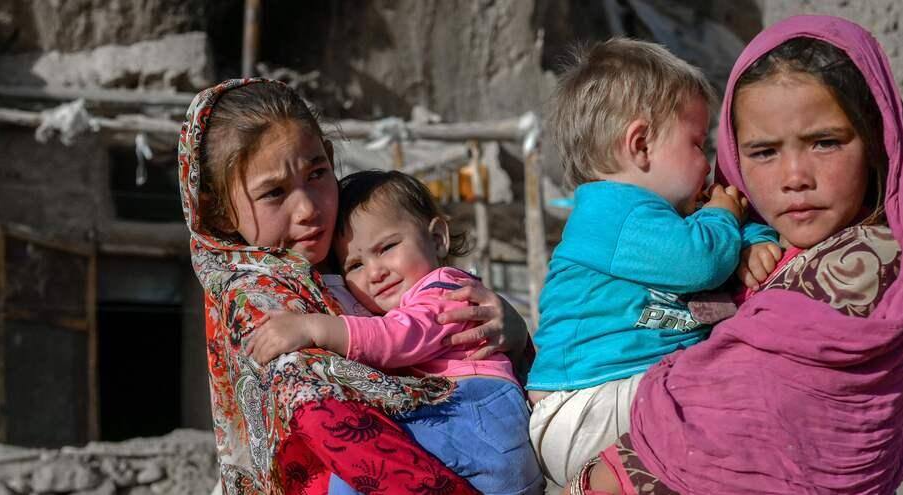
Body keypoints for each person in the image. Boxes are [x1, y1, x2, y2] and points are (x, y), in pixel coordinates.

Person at [572, 15, 903, 494]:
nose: (795, 176)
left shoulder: (861, 266)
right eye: (763, 152)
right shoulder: (759, 246)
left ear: (875, 140)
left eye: (825, 142)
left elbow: (727, 427)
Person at [178, 78, 528, 494]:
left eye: (317, 174)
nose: (308, 209)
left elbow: (443, 339)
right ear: (218, 214)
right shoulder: (258, 303)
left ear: (329, 156)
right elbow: (330, 423)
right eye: (274, 193)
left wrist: (515, 332)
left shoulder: (349, 256)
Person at [525, 38, 780, 490]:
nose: (709, 164)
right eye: (697, 144)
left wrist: (752, 239)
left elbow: (716, 233)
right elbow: (699, 259)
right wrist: (726, 215)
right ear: (640, 144)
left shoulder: (665, 217)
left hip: (617, 395)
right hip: (587, 403)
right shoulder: (611, 212)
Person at [248, 170, 543, 494]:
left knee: (359, 468)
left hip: (478, 420)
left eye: (387, 247)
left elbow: (397, 337)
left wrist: (313, 326)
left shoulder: (447, 288)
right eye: (355, 266)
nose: (376, 272)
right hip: (477, 436)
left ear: (437, 238)